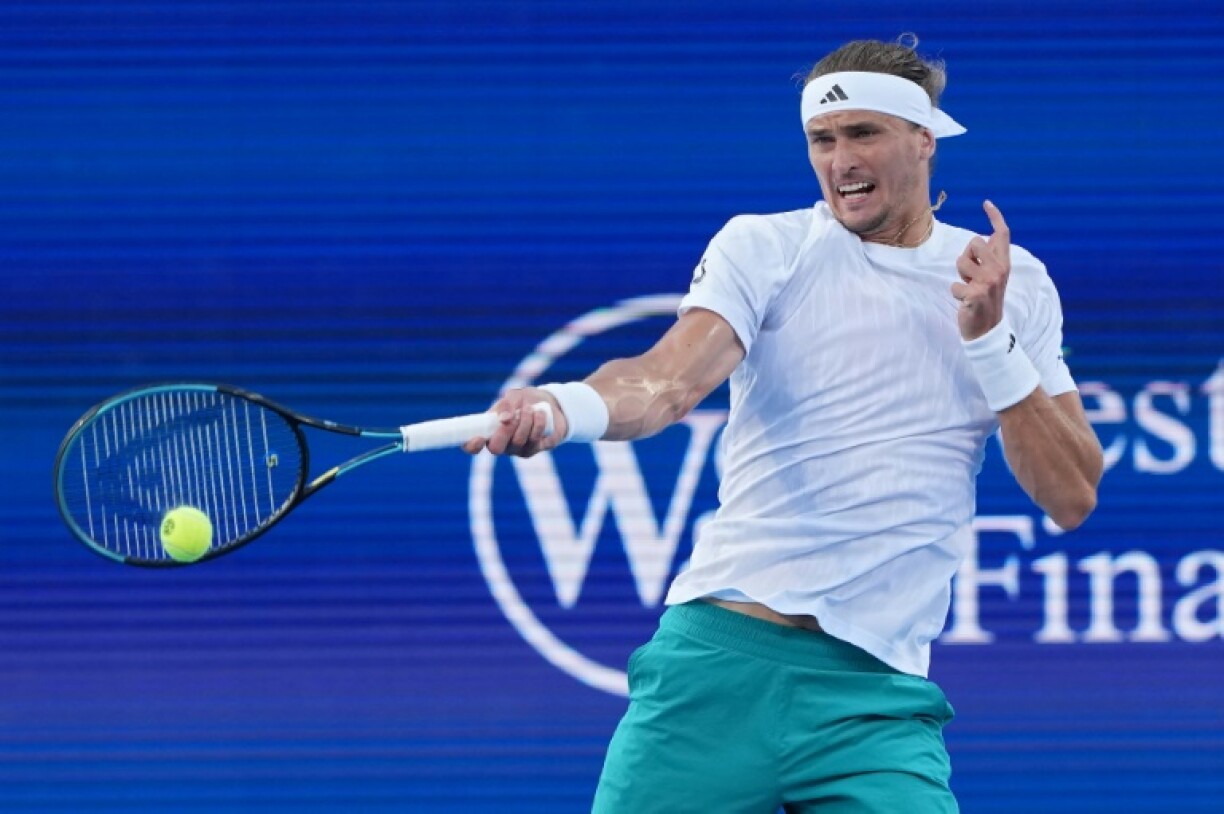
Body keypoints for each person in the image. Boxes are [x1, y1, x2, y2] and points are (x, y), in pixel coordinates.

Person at [463, 35, 1104, 814]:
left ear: (925, 138)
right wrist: (563, 409)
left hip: (878, 702)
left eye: (863, 134)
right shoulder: (767, 248)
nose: (841, 161)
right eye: (822, 141)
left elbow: (1072, 494)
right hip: (718, 672)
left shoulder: (1014, 282)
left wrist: (990, 340)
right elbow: (664, 383)